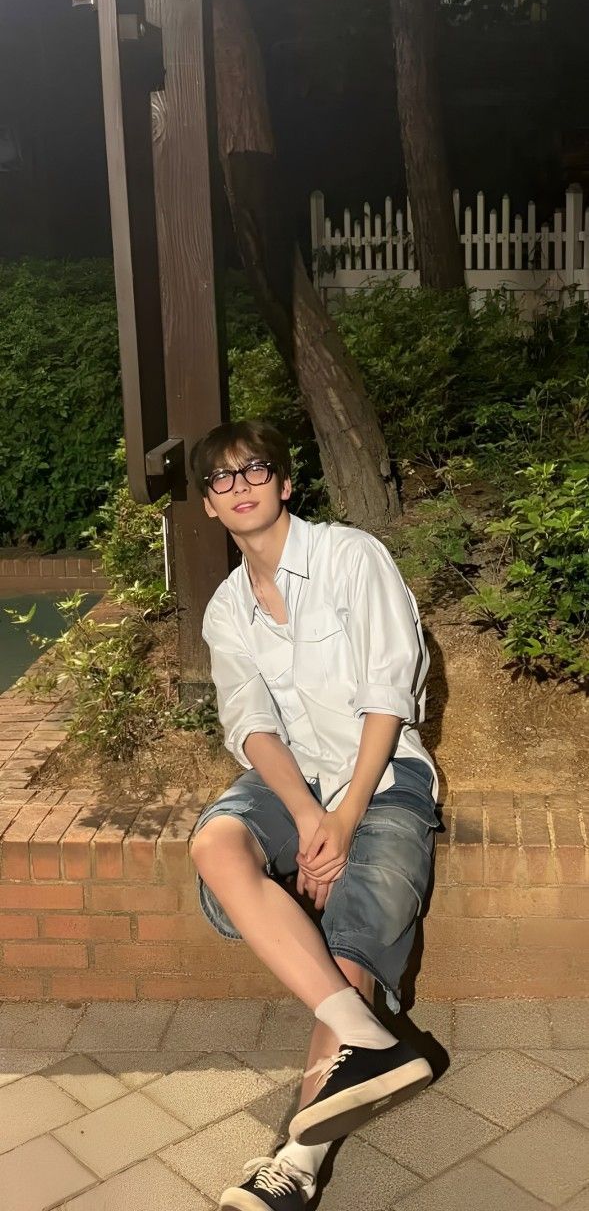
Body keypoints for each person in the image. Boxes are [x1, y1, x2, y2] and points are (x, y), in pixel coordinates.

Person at [190, 419, 440, 1211]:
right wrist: (303, 813)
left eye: (253, 471)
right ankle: (367, 1043)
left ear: (284, 483)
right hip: (292, 781)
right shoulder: (227, 608)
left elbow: (387, 694)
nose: (240, 487)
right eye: (221, 481)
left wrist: (345, 812)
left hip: (383, 775)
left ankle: (295, 1163)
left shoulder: (348, 556)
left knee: (354, 922)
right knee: (216, 843)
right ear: (207, 506)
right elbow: (249, 723)